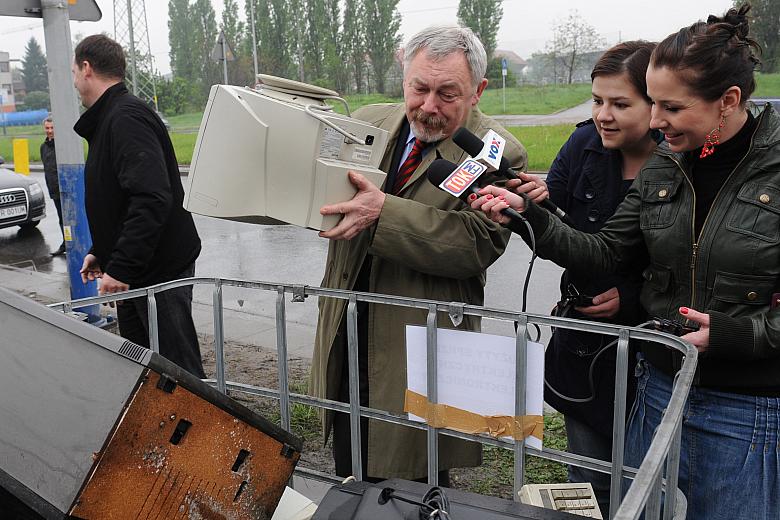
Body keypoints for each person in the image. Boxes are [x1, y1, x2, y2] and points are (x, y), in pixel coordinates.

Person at [472, 5, 778, 518]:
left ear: (727, 101)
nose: (655, 122)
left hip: (744, 408)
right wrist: (532, 217)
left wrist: (732, 335)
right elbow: (607, 252)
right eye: (653, 105)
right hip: (658, 388)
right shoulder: (668, 161)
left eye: (672, 109)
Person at [310, 24, 527, 482]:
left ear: (478, 91)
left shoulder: (496, 153)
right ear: (403, 78)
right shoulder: (368, 120)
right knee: (352, 459)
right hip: (349, 321)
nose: (428, 107)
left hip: (420, 339)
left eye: (448, 93)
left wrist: (382, 212)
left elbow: (475, 243)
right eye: (419, 88)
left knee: (416, 466)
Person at [521, 41, 656, 515]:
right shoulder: (582, 144)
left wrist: (632, 297)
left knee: (646, 485)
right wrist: (526, 206)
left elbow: (689, 264)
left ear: (655, 101)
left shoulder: (679, 161)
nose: (604, 114)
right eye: (597, 100)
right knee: (589, 483)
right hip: (583, 347)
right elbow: (551, 224)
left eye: (620, 103)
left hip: (654, 354)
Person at [72, 34, 205, 379]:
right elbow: (120, 198)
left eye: (74, 72)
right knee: (144, 369)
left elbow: (151, 197)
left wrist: (121, 268)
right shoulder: (111, 118)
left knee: (178, 373)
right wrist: (103, 252)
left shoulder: (125, 117)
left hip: (158, 270)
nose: (74, 82)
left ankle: (202, 431)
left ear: (86, 68)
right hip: (135, 270)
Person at [40, 117, 66, 256]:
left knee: (71, 218)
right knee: (61, 218)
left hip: (66, 190)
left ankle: (78, 244)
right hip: (54, 190)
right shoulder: (43, 147)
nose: (49, 131)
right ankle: (65, 244)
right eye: (47, 128)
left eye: (52, 128)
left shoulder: (62, 146)